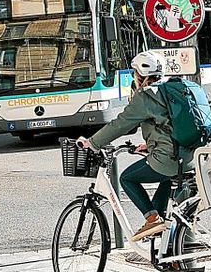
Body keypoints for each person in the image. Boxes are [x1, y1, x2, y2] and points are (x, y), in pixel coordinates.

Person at [78, 51, 201, 242]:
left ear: (139, 74)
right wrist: (150, 145)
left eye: (134, 72)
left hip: (169, 159)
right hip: (189, 157)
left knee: (127, 178)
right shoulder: (171, 89)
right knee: (166, 182)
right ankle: (160, 226)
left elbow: (121, 124)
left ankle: (152, 219)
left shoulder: (146, 95)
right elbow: (170, 124)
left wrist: (92, 143)